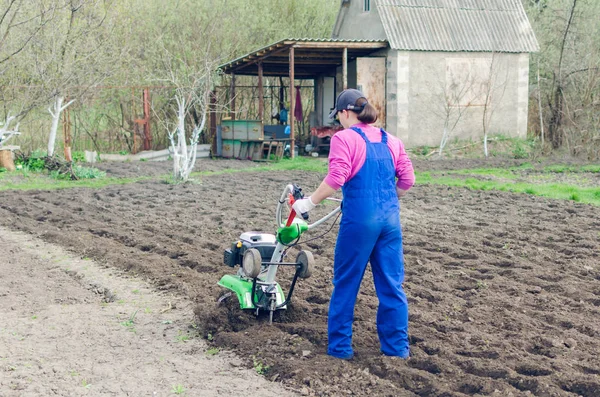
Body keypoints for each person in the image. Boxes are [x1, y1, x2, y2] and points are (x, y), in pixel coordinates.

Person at [292, 88, 415, 360]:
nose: (339, 122)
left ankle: (340, 349)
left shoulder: (344, 139)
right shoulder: (392, 140)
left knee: (346, 284)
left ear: (346, 113)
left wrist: (308, 203)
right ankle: (397, 350)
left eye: (339, 116)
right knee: (392, 286)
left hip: (360, 221)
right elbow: (407, 180)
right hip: (390, 222)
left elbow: (337, 177)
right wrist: (388, 196)